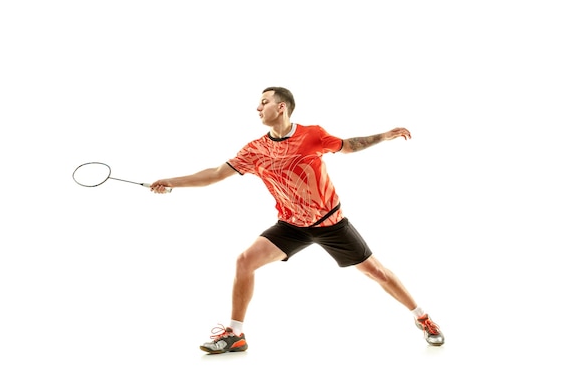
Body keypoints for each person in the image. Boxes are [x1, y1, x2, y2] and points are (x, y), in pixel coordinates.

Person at [150, 87, 444, 353]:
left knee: (377, 272)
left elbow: (348, 145)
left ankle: (423, 318)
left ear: (281, 107)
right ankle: (235, 335)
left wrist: (384, 135)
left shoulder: (312, 135)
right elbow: (214, 174)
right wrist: (172, 182)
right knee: (244, 261)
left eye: (263, 102)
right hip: (291, 227)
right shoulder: (254, 150)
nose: (257, 107)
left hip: (331, 224)